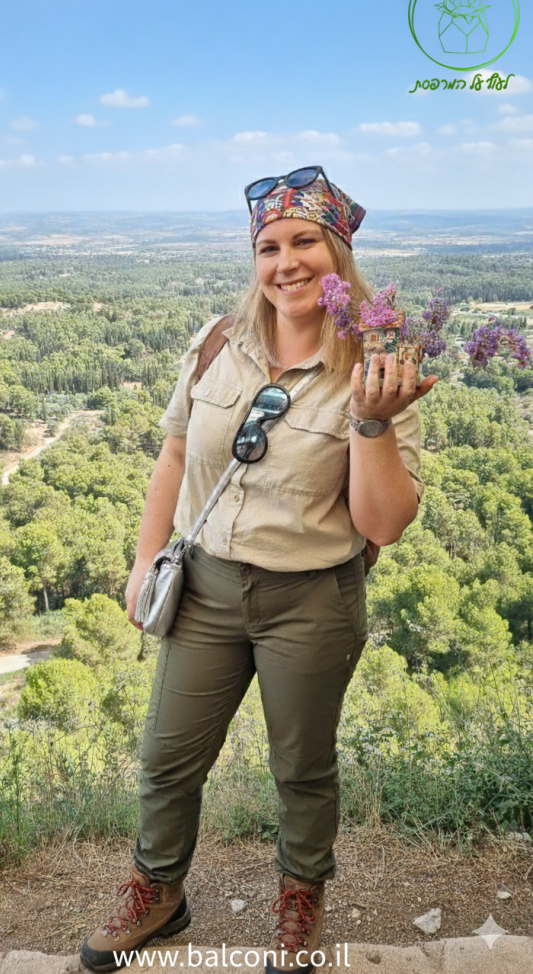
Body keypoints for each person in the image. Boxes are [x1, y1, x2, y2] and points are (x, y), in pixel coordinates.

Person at [81, 167, 438, 973]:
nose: (287, 262)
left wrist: (372, 425)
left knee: (301, 766)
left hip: (310, 597)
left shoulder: (377, 362)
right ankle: (158, 890)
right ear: (254, 260)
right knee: (168, 757)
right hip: (206, 587)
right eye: (269, 247)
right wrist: (145, 564)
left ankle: (299, 899)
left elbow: (383, 523)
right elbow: (173, 453)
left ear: (339, 254)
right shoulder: (217, 343)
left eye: (305, 241)